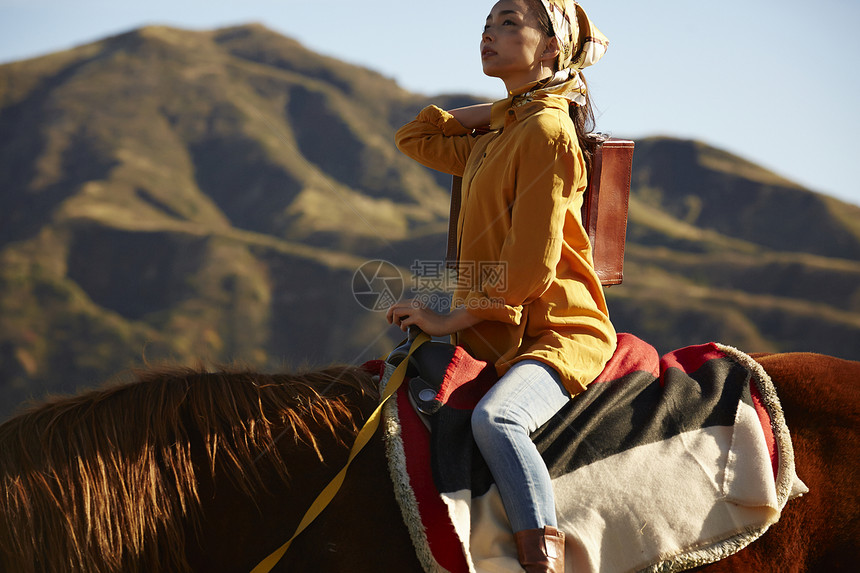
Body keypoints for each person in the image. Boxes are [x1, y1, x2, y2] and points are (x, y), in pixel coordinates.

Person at [386, 1, 616, 570]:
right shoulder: (503, 132)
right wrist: (505, 106)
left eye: (509, 22)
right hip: (495, 328)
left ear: (553, 47)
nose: (489, 34)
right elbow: (416, 136)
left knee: (497, 420)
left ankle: (542, 559)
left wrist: (445, 320)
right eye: (487, 24)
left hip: (555, 331)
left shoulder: (545, 132)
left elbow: (527, 277)